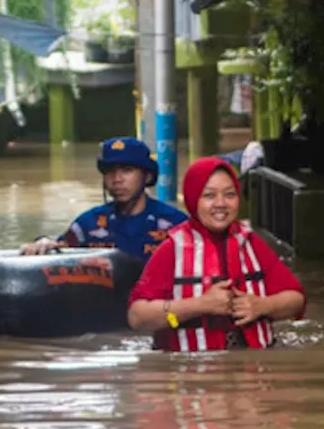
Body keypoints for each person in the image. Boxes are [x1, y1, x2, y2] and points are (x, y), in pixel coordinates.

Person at [127, 156, 305, 351]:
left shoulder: (252, 244)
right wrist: (200, 305)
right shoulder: (171, 250)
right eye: (209, 196)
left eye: (229, 194)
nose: (221, 204)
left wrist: (264, 306)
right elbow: (137, 316)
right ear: (193, 199)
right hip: (191, 371)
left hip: (252, 367)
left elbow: (296, 299)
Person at [20, 137, 188, 260]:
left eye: (127, 170)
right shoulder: (88, 224)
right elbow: (60, 252)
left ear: (147, 177)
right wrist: (43, 243)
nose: (117, 179)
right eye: (110, 171)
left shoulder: (175, 224)